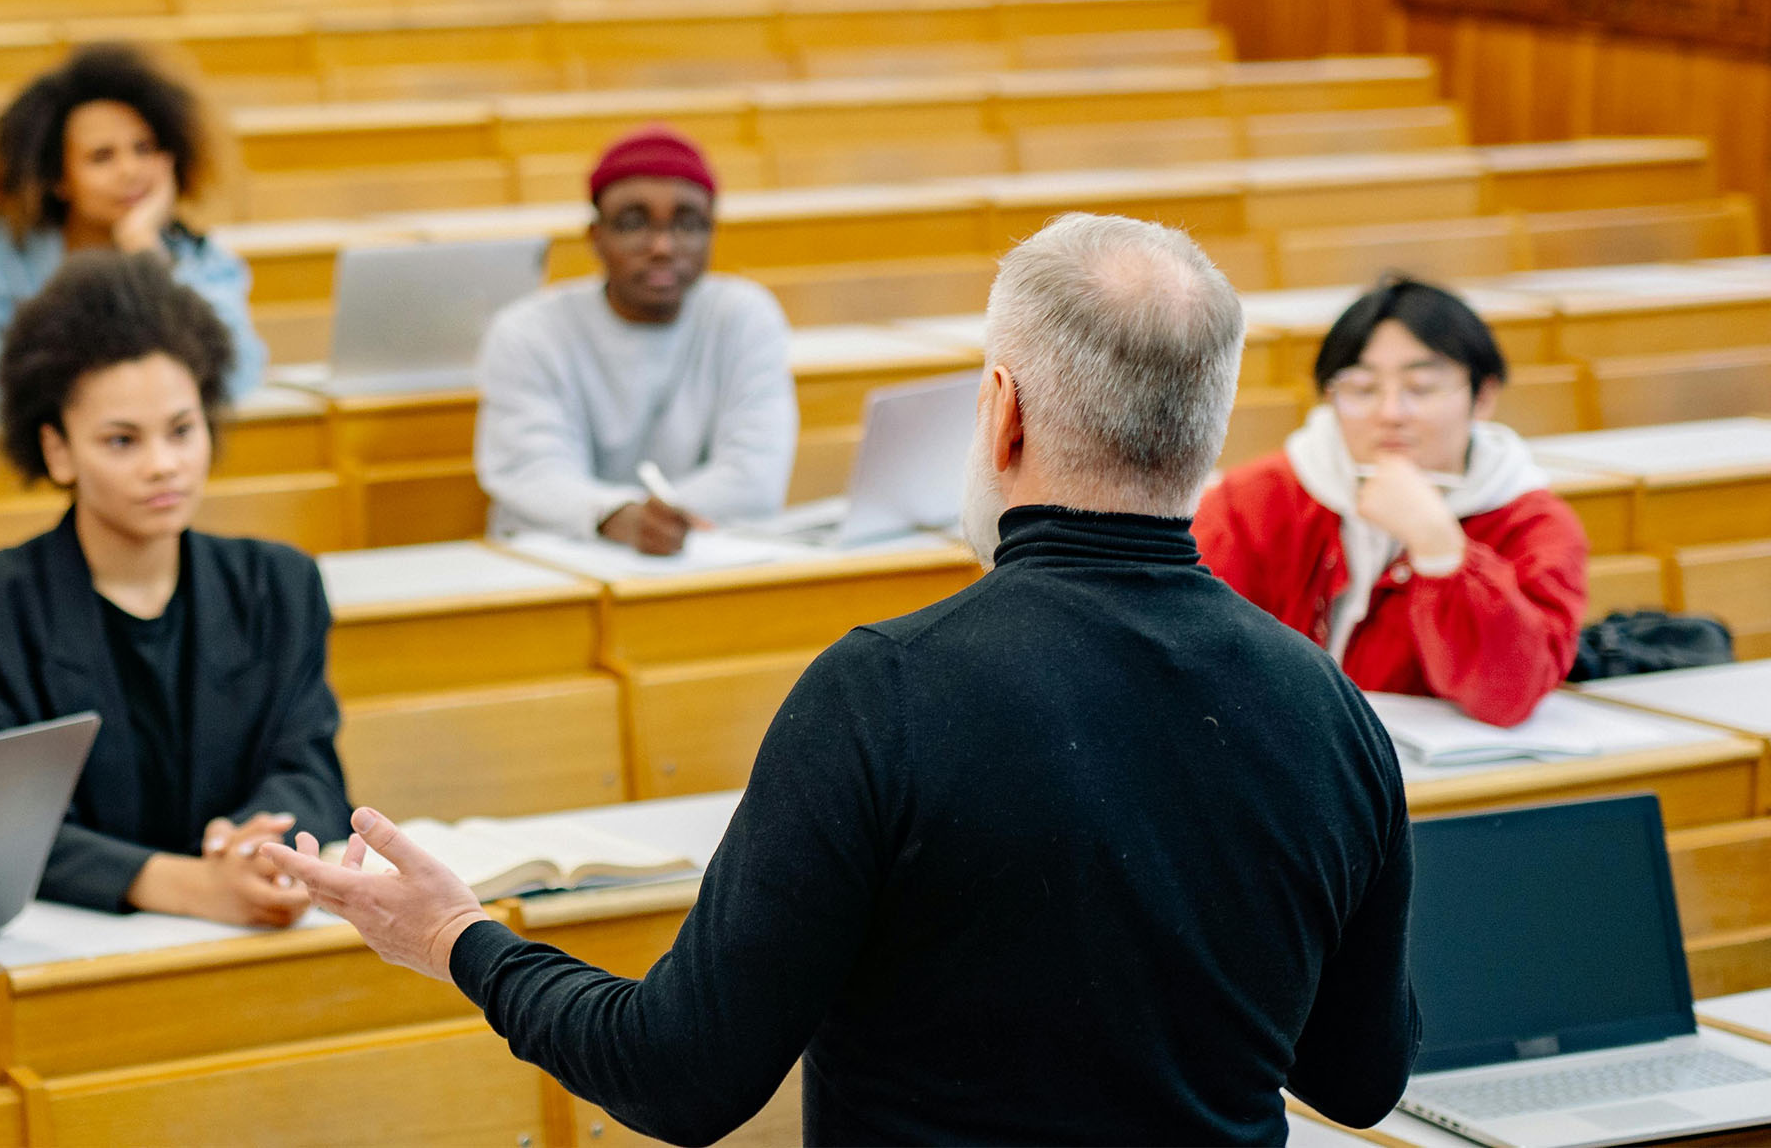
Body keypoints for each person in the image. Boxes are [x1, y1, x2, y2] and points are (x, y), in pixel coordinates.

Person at [267, 215, 1418, 1145]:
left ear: (1001, 412)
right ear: (1206, 432)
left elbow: (682, 1078)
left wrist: (458, 936)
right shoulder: (1325, 708)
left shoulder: (889, 693)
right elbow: (1360, 1083)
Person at [0, 250, 346, 928]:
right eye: (122, 441)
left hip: (247, 931)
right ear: (57, 451)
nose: (164, 466)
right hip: (77, 941)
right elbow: (4, 828)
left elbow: (312, 773)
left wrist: (254, 846)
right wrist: (191, 884)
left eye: (183, 430)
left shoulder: (279, 584)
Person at [1195, 276, 1588, 726]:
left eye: (1420, 388)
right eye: (1362, 389)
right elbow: (1196, 646)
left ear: (1483, 396)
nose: (1391, 413)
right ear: (1329, 397)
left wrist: (1442, 552)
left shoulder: (1532, 523)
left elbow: (1508, 696)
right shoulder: (1258, 498)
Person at [474, 125, 796, 555]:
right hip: (559, 562)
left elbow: (755, 475)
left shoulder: (743, 316)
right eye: (633, 223)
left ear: (712, 233)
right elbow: (530, 472)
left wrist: (656, 522)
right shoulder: (528, 332)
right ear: (596, 236)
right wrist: (617, 516)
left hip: (704, 558)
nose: (662, 246)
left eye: (687, 224)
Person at [0, 43, 267, 405]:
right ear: (59, 178)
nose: (130, 171)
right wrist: (96, 375)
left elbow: (236, 371)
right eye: (101, 157)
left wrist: (145, 250)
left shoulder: (193, 255)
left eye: (144, 149)